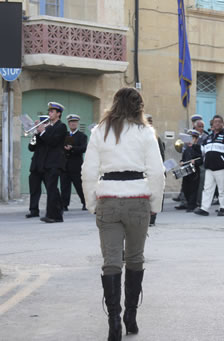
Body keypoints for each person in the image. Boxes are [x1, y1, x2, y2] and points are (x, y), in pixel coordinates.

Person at [82, 88, 165, 340]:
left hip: (108, 198)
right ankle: (131, 316)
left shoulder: (100, 131)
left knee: (111, 261)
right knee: (135, 258)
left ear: (115, 104)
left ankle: (113, 322)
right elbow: (157, 173)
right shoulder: (145, 133)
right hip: (138, 199)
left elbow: (88, 171)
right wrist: (155, 206)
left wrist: (91, 203)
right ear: (139, 106)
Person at [194, 115, 224, 216]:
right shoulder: (208, 137)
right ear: (212, 124)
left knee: (222, 189)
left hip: (221, 168)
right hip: (209, 168)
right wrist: (195, 146)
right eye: (215, 122)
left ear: (223, 124)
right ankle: (204, 208)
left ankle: (223, 208)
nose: (217, 123)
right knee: (207, 189)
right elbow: (203, 151)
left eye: (219, 122)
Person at [36, 102, 68, 223]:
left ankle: (54, 215)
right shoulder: (49, 127)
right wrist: (38, 132)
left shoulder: (62, 126)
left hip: (56, 162)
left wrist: (43, 132)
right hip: (48, 163)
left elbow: (53, 141)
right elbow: (42, 144)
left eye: (52, 112)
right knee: (52, 189)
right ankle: (56, 214)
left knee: (52, 188)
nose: (49, 113)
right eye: (49, 111)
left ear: (58, 114)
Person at [60, 114, 88, 211]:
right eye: (71, 122)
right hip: (65, 165)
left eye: (75, 122)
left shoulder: (82, 136)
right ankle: (64, 204)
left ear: (77, 123)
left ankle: (85, 203)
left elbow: (83, 148)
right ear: (68, 123)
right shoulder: (64, 135)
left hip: (76, 165)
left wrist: (72, 148)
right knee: (64, 186)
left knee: (79, 185)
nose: (73, 124)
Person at [26, 115, 48, 218]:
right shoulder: (37, 135)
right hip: (35, 166)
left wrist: (41, 133)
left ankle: (57, 208)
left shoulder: (50, 134)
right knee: (34, 190)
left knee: (51, 189)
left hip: (47, 166)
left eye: (42, 123)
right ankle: (33, 210)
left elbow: (48, 144)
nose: (39, 126)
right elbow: (31, 147)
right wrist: (34, 134)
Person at [145, 114, 165, 226]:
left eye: (150, 122)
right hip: (144, 170)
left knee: (155, 194)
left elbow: (161, 155)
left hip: (154, 169)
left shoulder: (156, 138)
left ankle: (152, 218)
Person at [181, 130, 203, 212]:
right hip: (186, 171)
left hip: (194, 172)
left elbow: (201, 160)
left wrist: (195, 162)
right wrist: (181, 162)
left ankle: (192, 205)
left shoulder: (198, 148)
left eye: (192, 138)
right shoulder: (186, 149)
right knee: (186, 188)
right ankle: (189, 202)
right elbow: (183, 158)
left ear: (196, 139)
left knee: (194, 189)